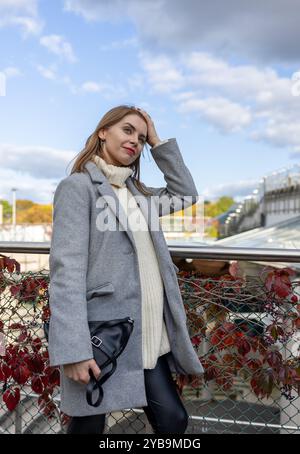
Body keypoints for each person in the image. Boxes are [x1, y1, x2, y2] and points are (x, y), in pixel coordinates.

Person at [48, 104, 204, 434]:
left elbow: (185, 193)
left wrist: (159, 141)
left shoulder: (139, 195)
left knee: (174, 421)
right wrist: (74, 350)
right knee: (89, 426)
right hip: (103, 338)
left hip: (149, 337)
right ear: (103, 131)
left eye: (142, 138)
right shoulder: (78, 188)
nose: (136, 141)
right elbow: (66, 273)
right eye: (128, 130)